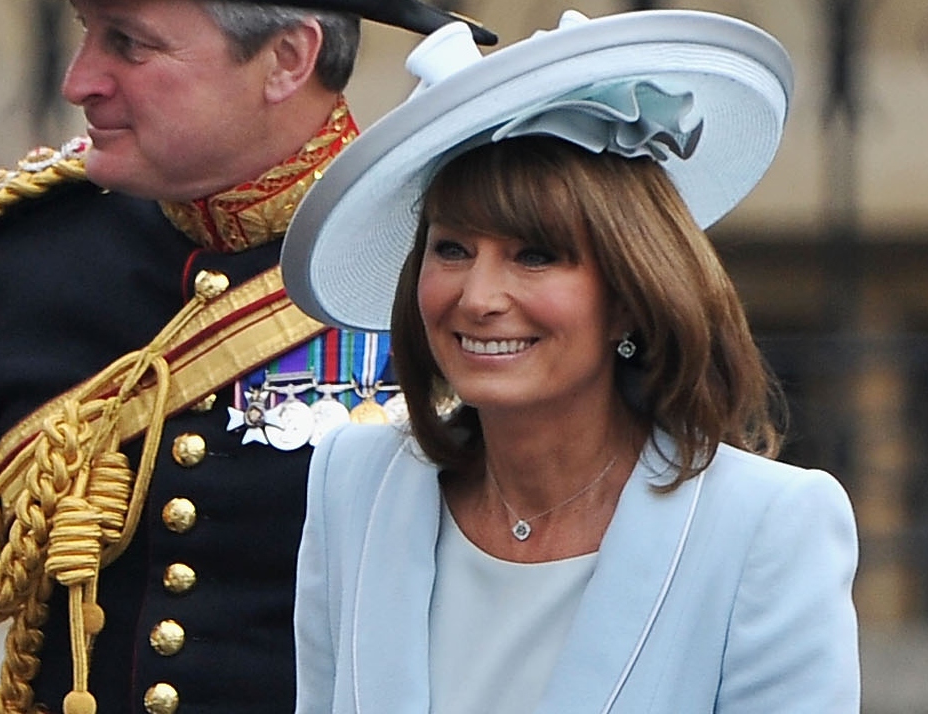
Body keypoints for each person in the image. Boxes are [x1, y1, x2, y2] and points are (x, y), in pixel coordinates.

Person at [0, 2, 495, 713]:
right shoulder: (20, 259)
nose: (79, 81)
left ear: (286, 59)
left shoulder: (449, 265)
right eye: (85, 33)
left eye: (128, 45)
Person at [282, 9, 860, 713]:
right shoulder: (354, 483)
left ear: (627, 294)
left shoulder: (768, 522)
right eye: (452, 249)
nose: (478, 296)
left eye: (534, 256)